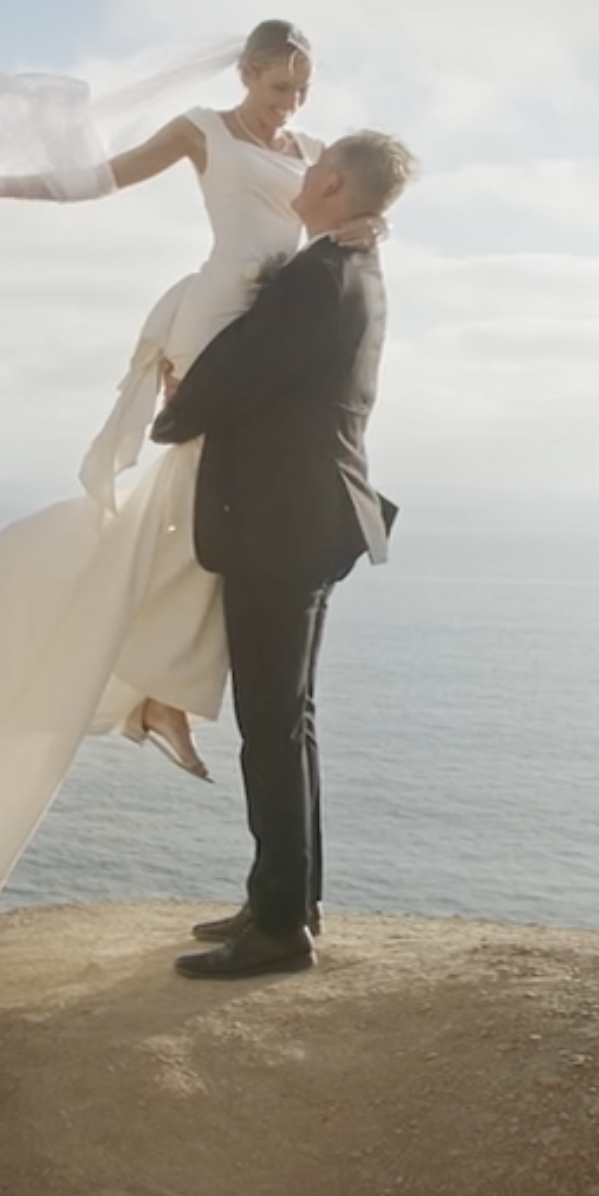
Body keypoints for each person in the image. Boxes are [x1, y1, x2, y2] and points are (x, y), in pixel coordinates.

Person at [0, 18, 384, 921]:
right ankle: (159, 691)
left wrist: (373, 230)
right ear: (243, 71)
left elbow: (348, 221)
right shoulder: (200, 131)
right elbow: (95, 180)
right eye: (278, 85)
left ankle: (160, 691)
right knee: (197, 517)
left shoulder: (320, 156)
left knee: (199, 525)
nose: (290, 104)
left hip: (273, 329)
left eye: (302, 89)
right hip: (219, 325)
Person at [151, 129, 415, 979]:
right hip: (311, 519)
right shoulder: (353, 265)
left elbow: (242, 371)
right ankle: (286, 901)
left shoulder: (317, 278)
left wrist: (174, 409)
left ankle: (278, 930)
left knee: (270, 727)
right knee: (288, 723)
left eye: (315, 163)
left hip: (280, 525)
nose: (302, 171)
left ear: (334, 183)